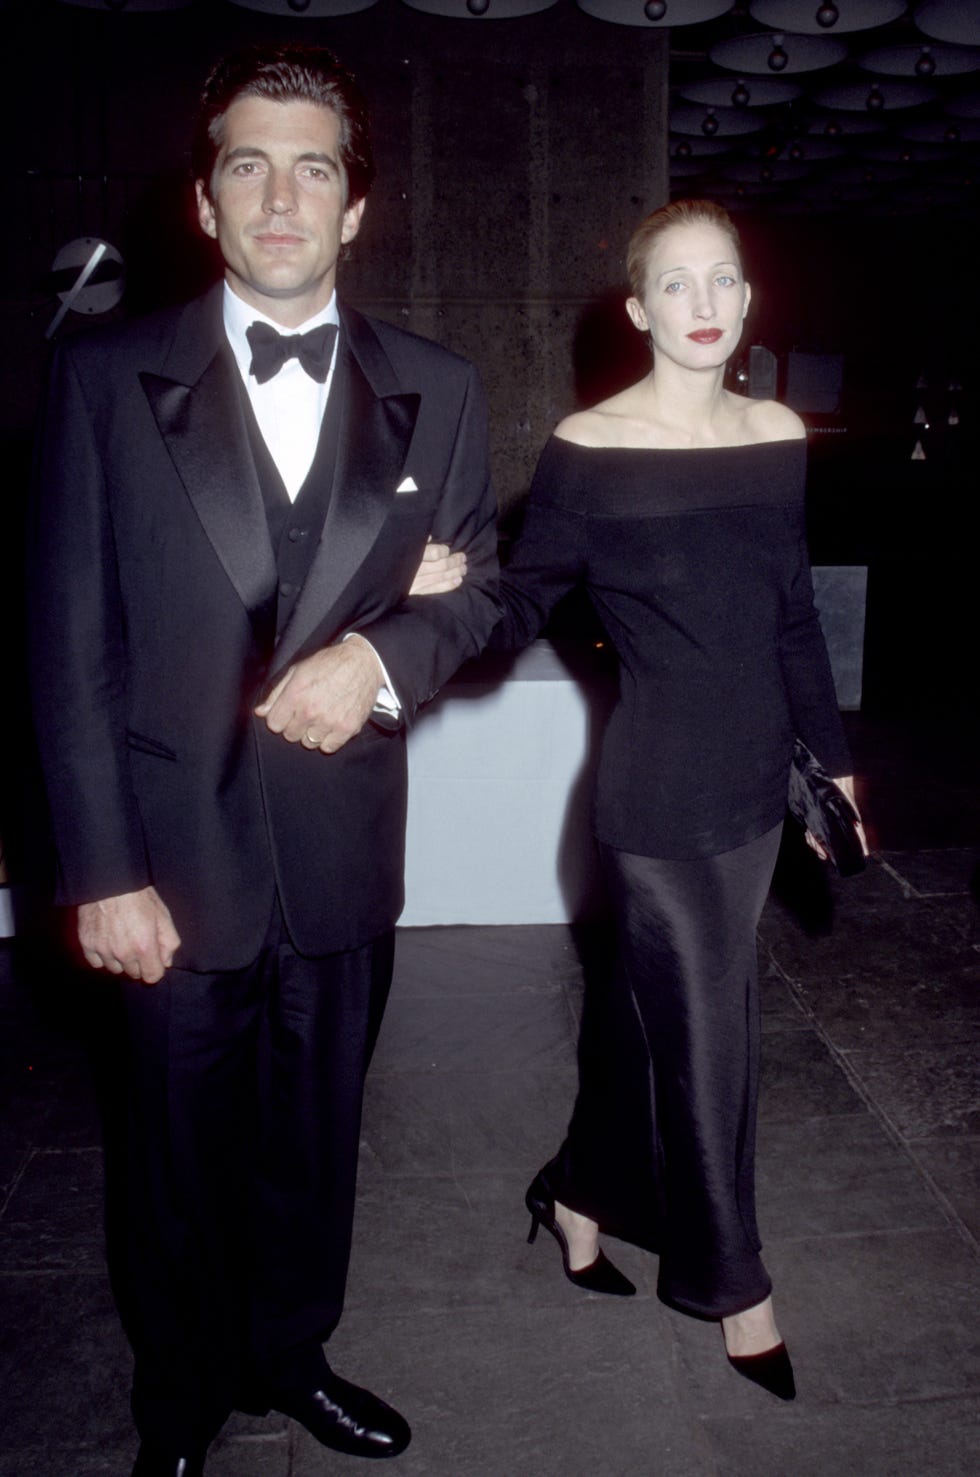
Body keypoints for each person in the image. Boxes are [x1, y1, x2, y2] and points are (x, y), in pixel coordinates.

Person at [28, 43, 498, 1476]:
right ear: (204, 200)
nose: (281, 195)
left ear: (357, 207)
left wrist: (379, 661)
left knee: (314, 1143)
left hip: (344, 851)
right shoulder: (106, 379)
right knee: (169, 1165)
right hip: (171, 863)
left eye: (314, 168)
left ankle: (291, 1354)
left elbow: (479, 594)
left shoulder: (443, 386)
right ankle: (179, 1400)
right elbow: (65, 644)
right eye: (249, 164)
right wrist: (103, 871)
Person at [417, 198, 864, 1399]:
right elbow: (519, 604)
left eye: (722, 281)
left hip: (754, 781)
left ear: (747, 300)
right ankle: (734, 1282)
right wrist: (425, 596)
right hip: (659, 799)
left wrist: (830, 758)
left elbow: (786, 613)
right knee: (715, 1038)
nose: (705, 305)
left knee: (633, 1025)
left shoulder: (776, 432)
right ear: (636, 309)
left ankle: (574, 1191)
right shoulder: (588, 448)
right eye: (676, 285)